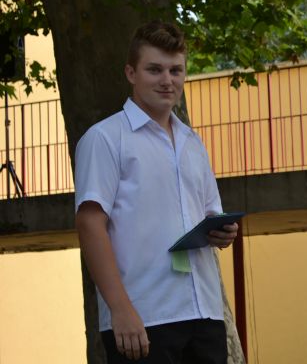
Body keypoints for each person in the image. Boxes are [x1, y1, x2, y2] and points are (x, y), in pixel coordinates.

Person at [75, 20, 238, 363]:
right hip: (142, 318)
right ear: (131, 73)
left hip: (204, 314)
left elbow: (210, 213)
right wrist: (120, 309)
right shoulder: (104, 138)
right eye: (155, 70)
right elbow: (89, 224)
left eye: (176, 70)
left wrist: (222, 231)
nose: (167, 80)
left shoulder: (193, 143)